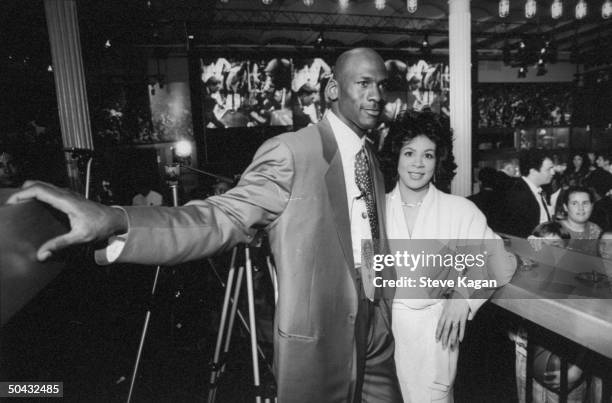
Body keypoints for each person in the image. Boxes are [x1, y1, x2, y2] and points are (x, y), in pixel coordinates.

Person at [6, 48, 401, 403]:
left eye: (381, 85)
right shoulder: (294, 152)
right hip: (319, 346)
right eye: (363, 83)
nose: (375, 95)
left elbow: (363, 237)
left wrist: (382, 307)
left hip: (375, 329)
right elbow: (218, 217)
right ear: (332, 89)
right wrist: (115, 217)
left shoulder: (370, 158)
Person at [380, 112, 516, 402]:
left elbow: (502, 260)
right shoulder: (374, 211)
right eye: (409, 152)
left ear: (437, 161)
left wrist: (463, 295)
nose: (418, 163)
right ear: (397, 157)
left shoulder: (459, 210)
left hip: (435, 339)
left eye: (427, 155)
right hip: (383, 341)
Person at [498, 149, 555, 238]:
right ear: (533, 172)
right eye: (549, 169)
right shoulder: (518, 195)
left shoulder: (536, 191)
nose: (553, 172)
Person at [557, 186, 601, 254]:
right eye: (574, 203)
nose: (581, 208)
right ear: (565, 207)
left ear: (592, 206)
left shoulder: (596, 231)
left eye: (585, 203)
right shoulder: (554, 230)